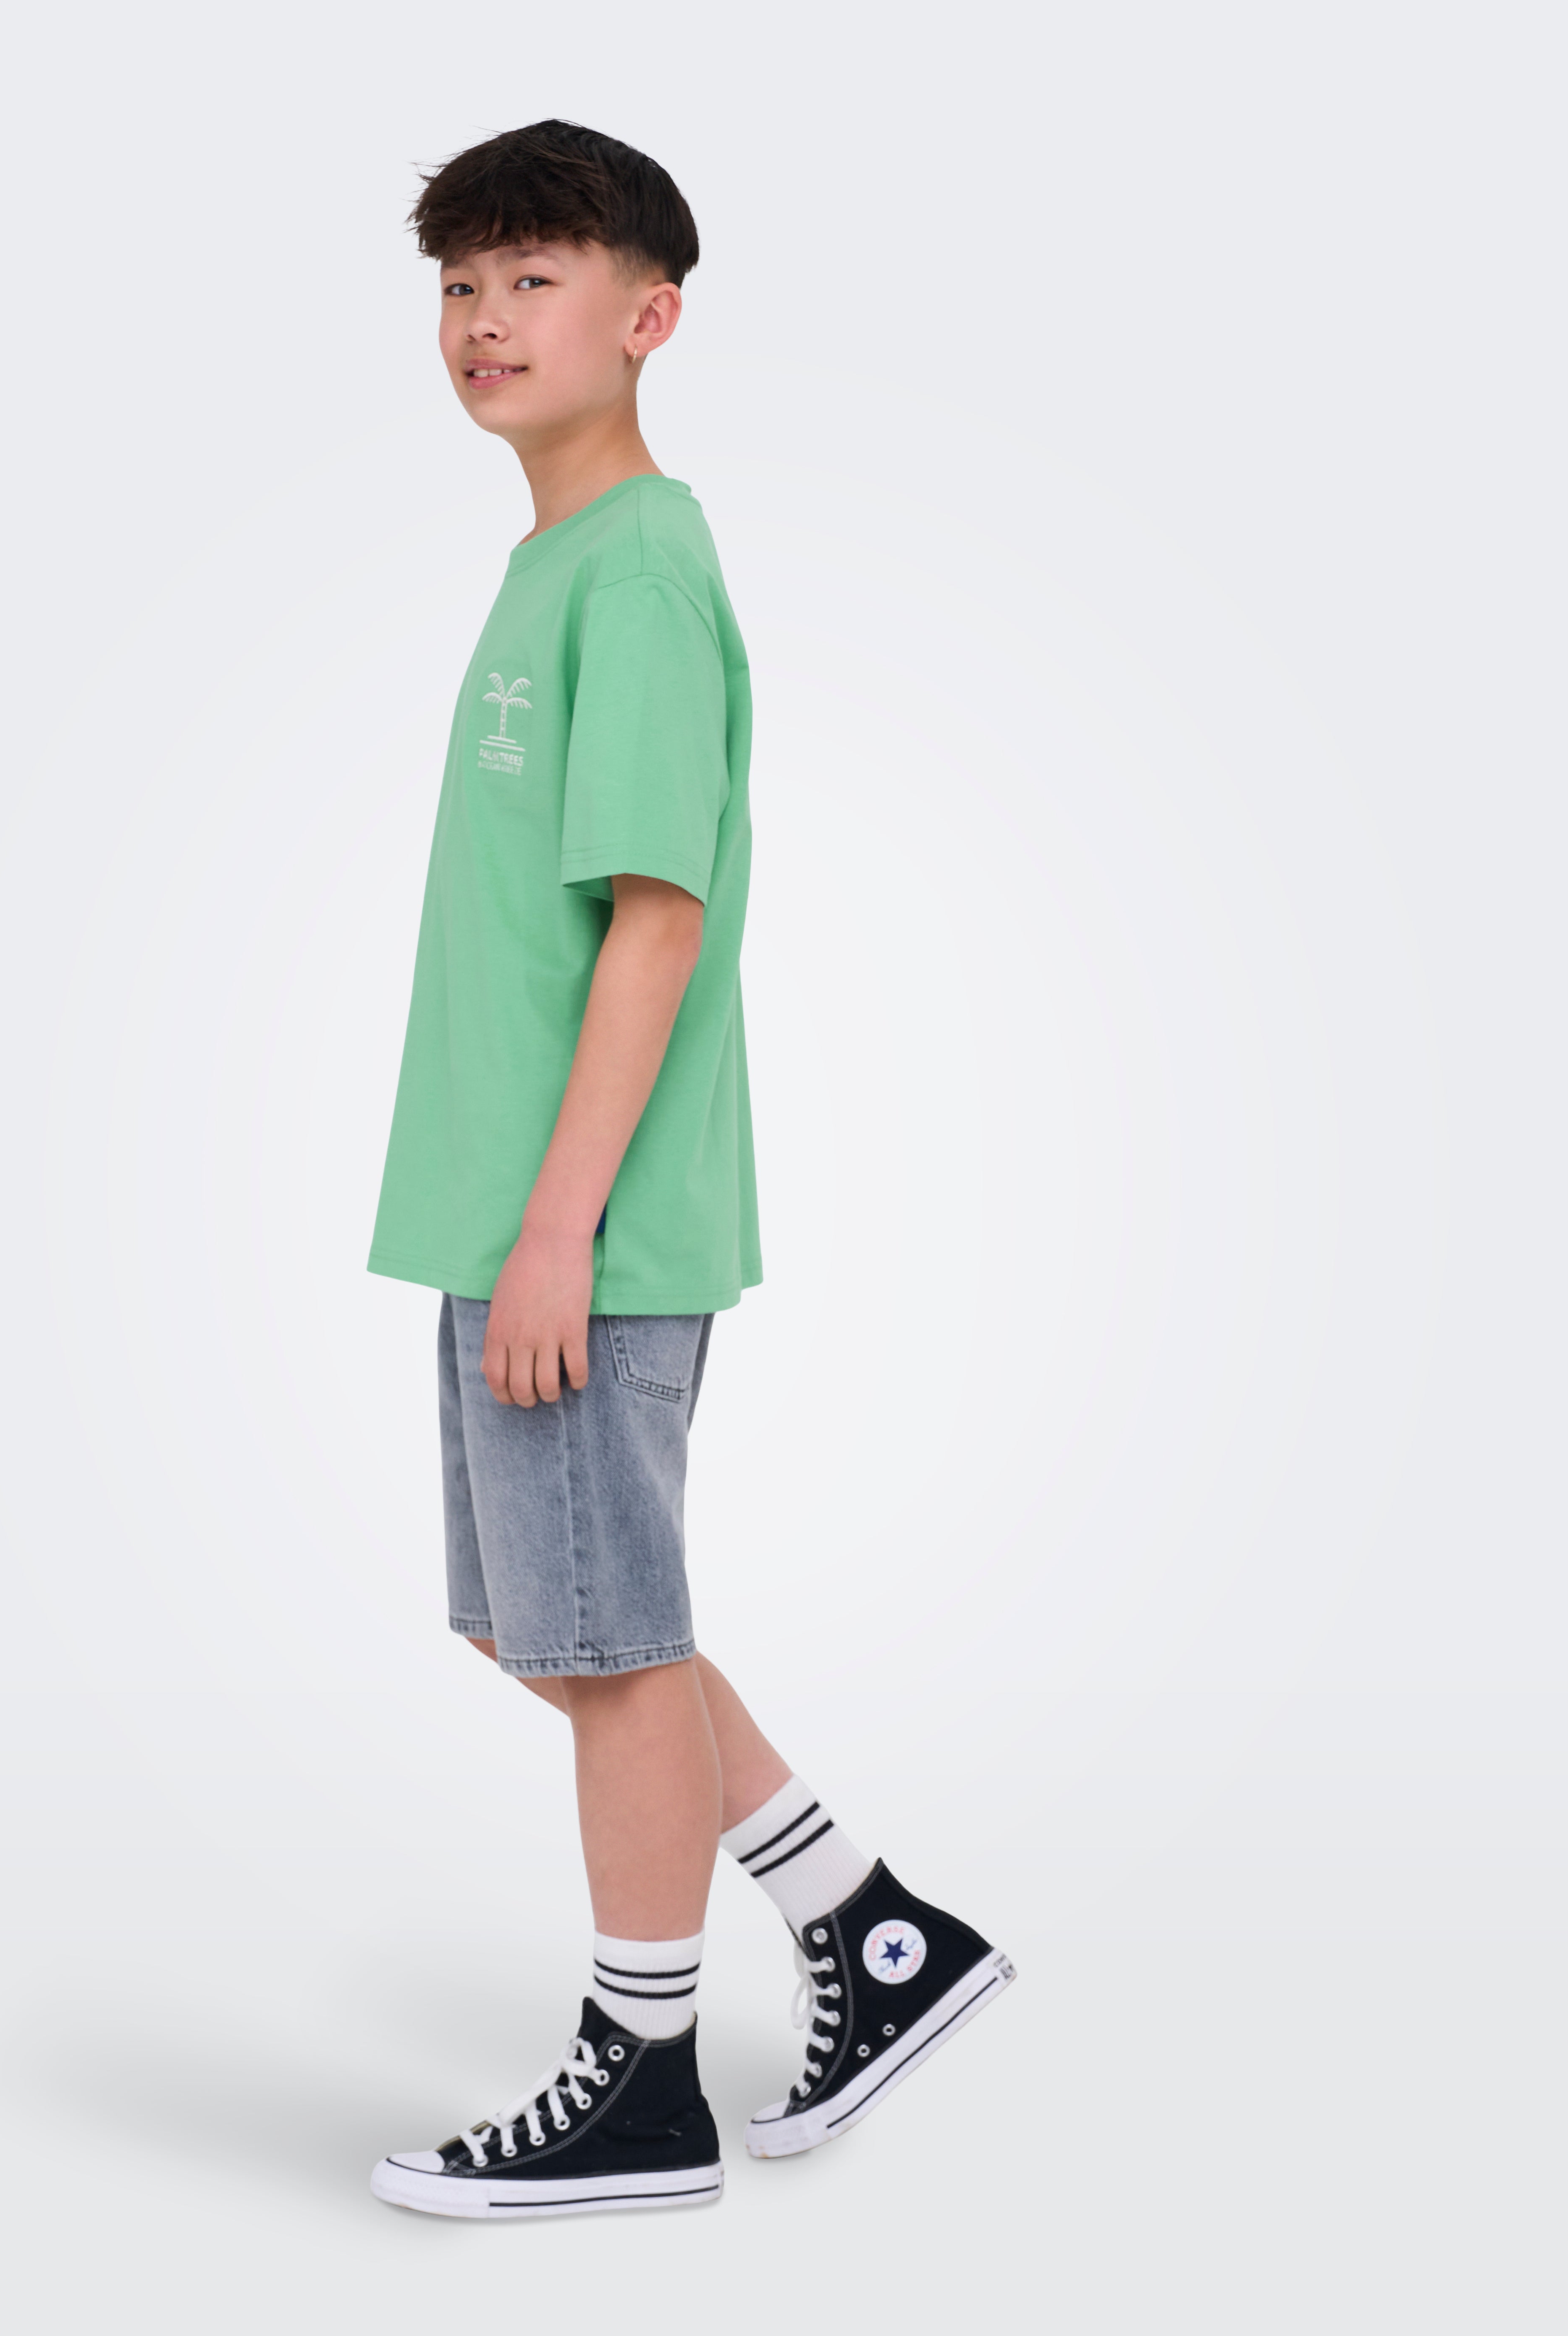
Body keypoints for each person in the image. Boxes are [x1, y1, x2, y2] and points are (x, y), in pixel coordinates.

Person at [365, 119, 1014, 2220]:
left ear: (649, 319)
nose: (485, 319)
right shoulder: (558, 559)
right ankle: (873, 1930)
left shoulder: (638, 566)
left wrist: (563, 1223)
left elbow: (658, 915)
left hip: (584, 1216)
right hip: (513, 1205)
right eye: (461, 283)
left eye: (532, 278)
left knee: (611, 1641)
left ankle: (641, 2077)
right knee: (553, 1626)